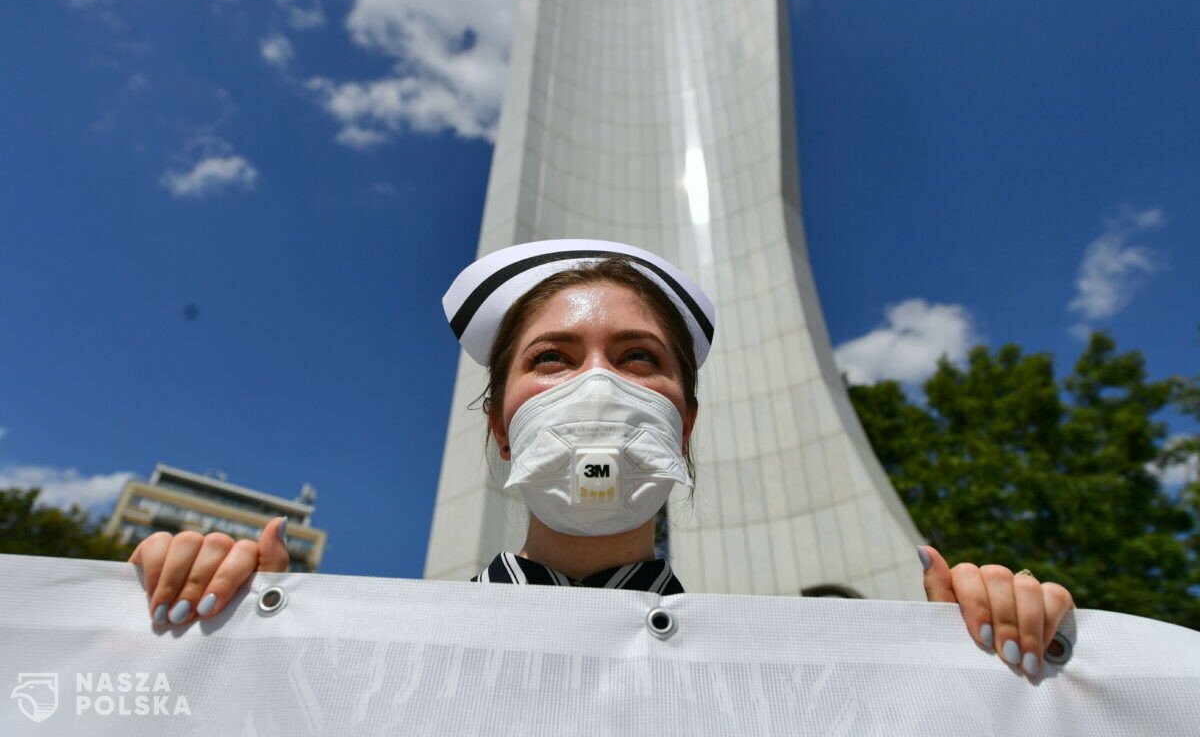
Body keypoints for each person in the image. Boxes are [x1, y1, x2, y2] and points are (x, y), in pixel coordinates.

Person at [129, 239, 1075, 677]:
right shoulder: (367, 651)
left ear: (684, 423)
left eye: (638, 360)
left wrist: (997, 664)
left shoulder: (785, 676)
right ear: (500, 426)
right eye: (552, 359)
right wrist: (229, 638)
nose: (598, 388)